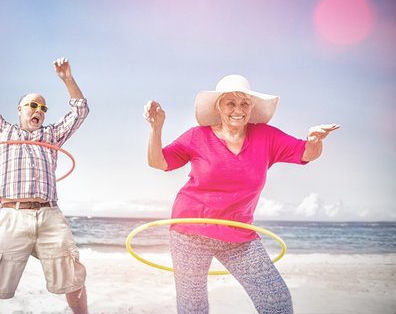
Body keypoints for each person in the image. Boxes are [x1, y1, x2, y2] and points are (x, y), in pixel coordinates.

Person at [143, 74, 339, 314]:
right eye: (231, 103)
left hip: (239, 235)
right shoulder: (197, 136)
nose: (238, 109)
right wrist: (156, 127)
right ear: (219, 107)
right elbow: (158, 162)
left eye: (244, 103)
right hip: (190, 231)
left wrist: (315, 140)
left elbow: (306, 153)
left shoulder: (266, 136)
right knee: (193, 308)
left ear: (251, 107)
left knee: (276, 301)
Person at [0, 35, 89, 314]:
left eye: (43, 108)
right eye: (32, 105)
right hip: (13, 215)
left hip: (50, 215)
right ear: (19, 110)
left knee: (74, 278)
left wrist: (67, 78)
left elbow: (80, 111)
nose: (38, 110)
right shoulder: (5, 132)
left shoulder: (52, 135)